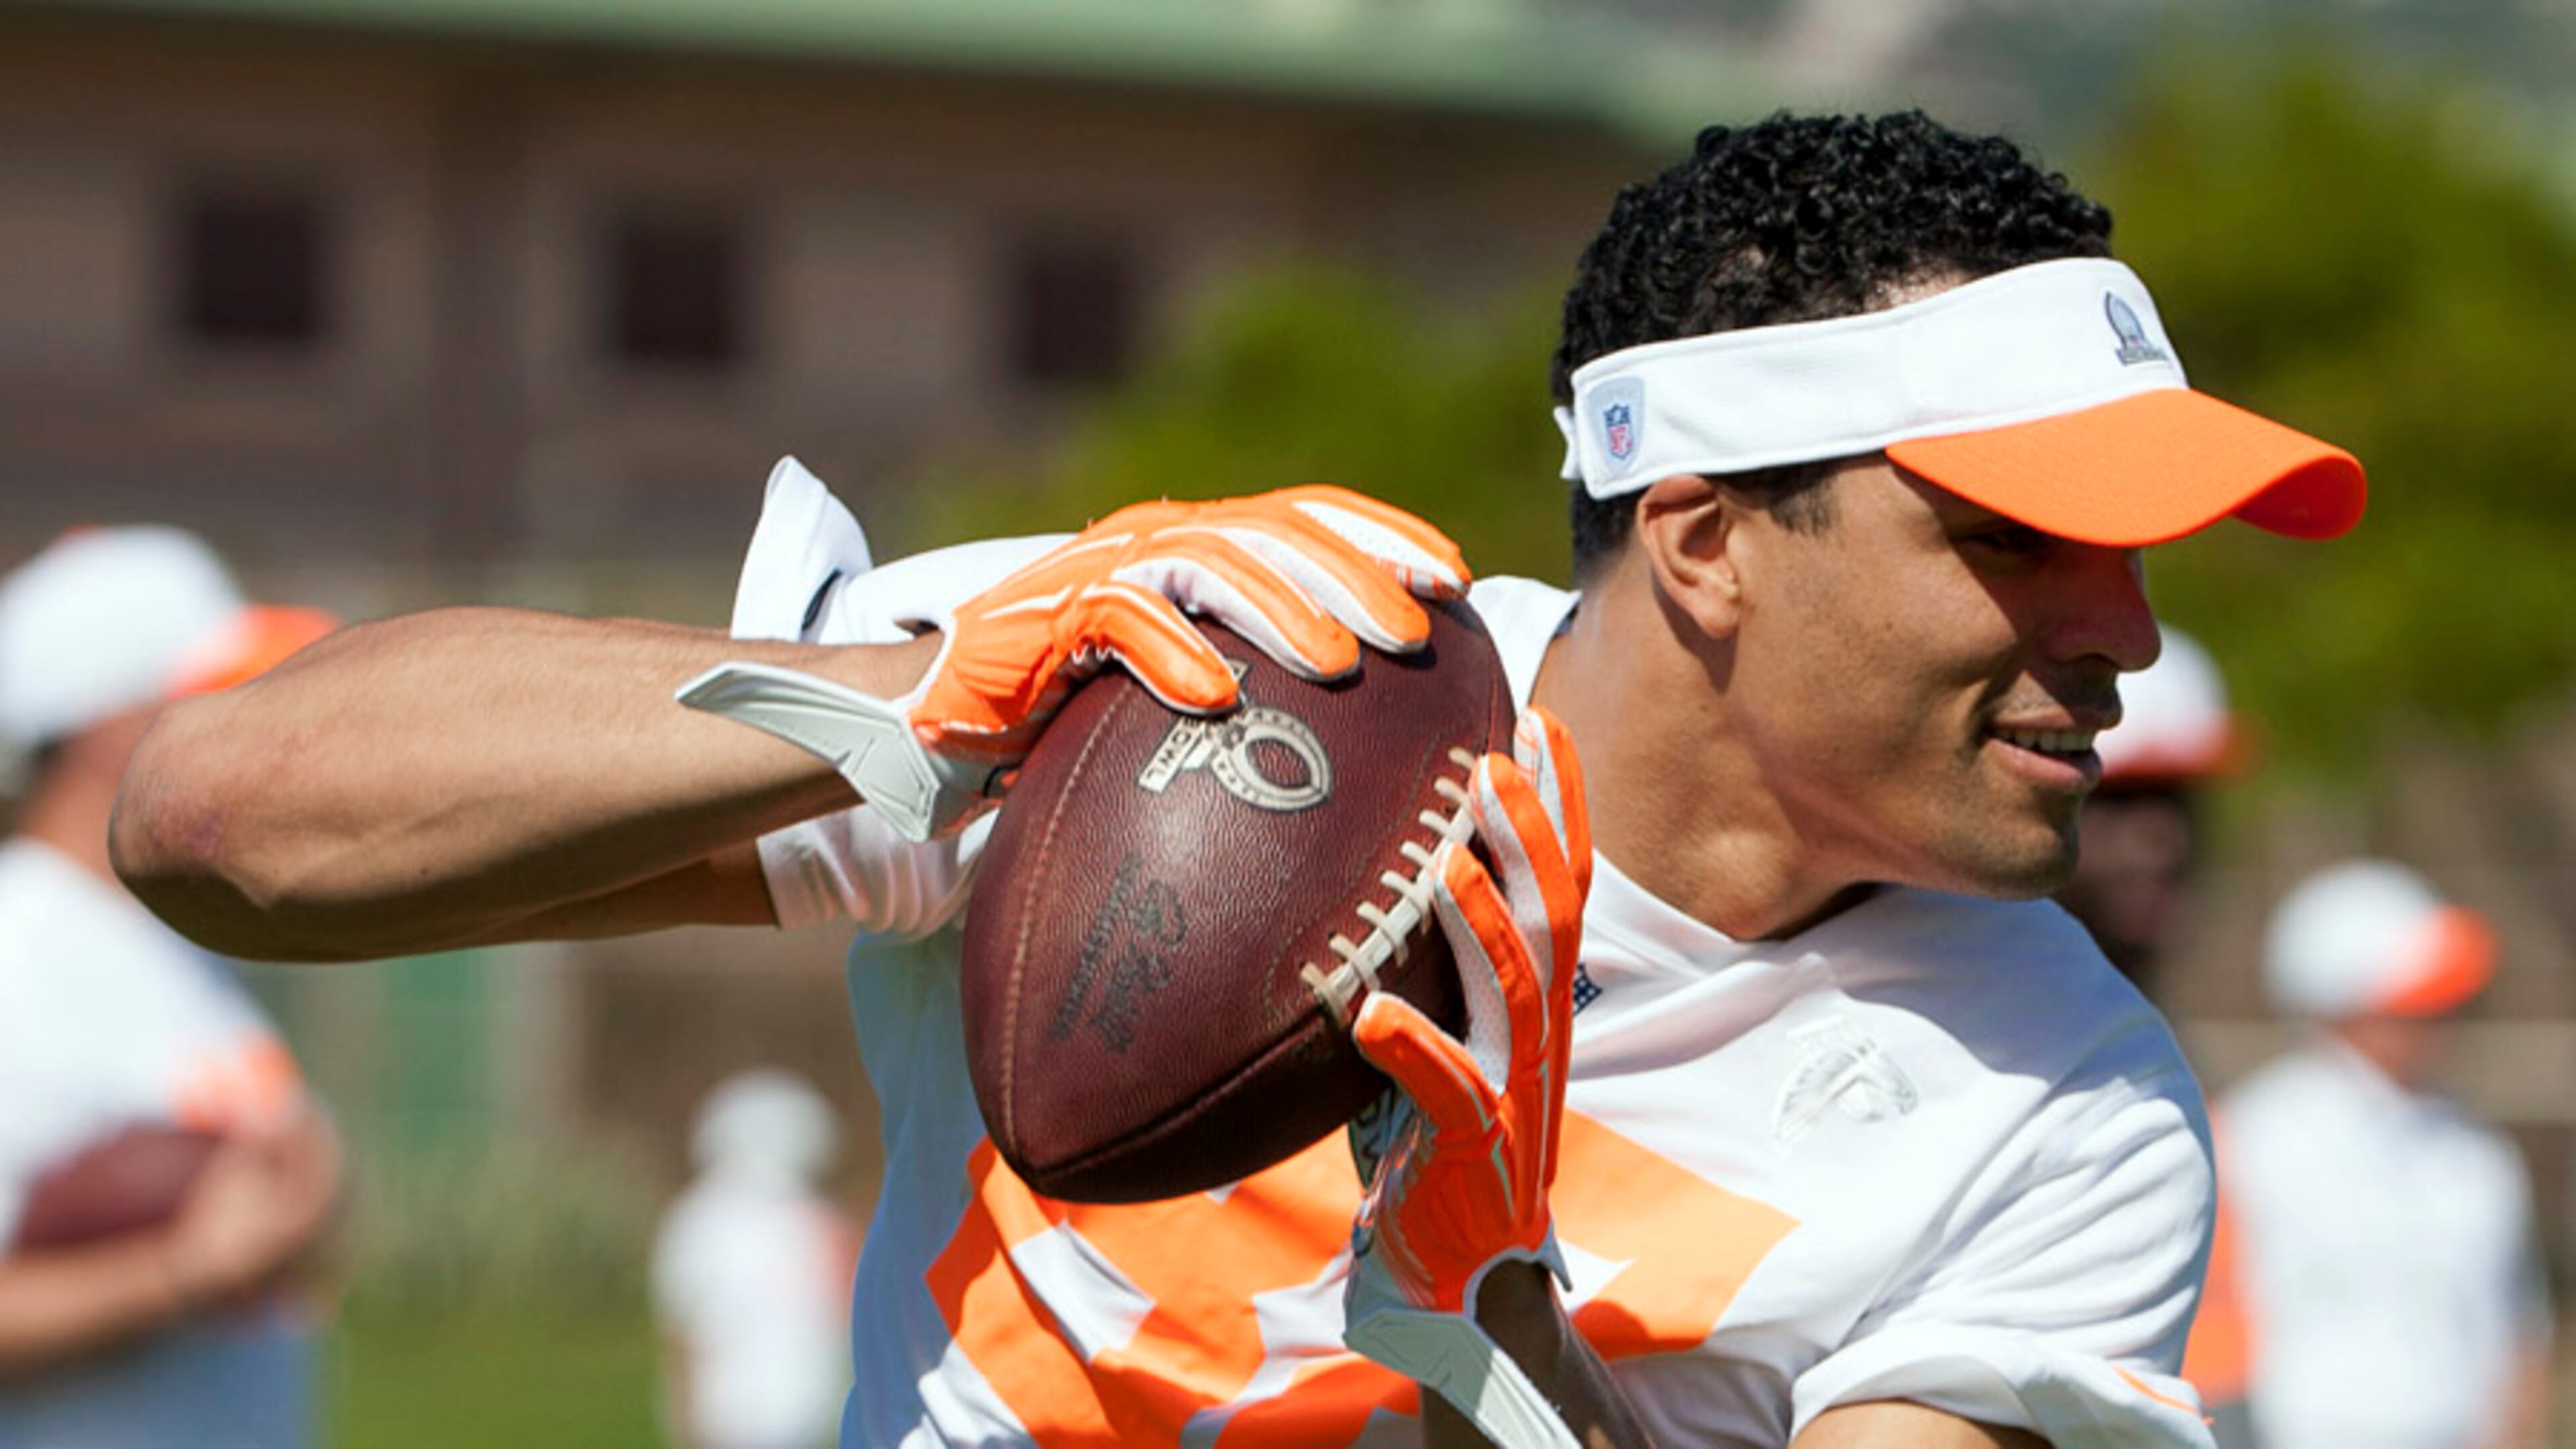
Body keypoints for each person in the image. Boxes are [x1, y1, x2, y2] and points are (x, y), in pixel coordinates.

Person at [109, 111, 2372, 1448]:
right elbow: (216, 824)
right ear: (1704, 541)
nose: (2128, 635)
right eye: (2018, 540)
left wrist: (1485, 1338)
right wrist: (920, 689)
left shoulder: (2069, 1102)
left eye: (2133, 552)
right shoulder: (1208, 706)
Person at [0, 526, 343, 1448]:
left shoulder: (179, 943)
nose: (271, 728)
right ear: (115, 730)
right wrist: (180, 1273)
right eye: (226, 694)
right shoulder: (17, 953)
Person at [2221, 861, 2551, 1449]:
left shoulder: (2474, 1149)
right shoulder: (2251, 1137)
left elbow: (2519, 1336)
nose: (2443, 1022)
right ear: (2340, 1003)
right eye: (2417, 1001)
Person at [2053, 627, 2260, 1446]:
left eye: (2181, 805)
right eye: (2120, 802)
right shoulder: (1963, 1042)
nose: (2165, 841)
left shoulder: (2148, 1038)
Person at [654, 1069, 857, 1449]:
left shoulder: (696, 1219)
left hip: (733, 1415)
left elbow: (679, 1329)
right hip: (801, 1415)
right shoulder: (822, 1222)